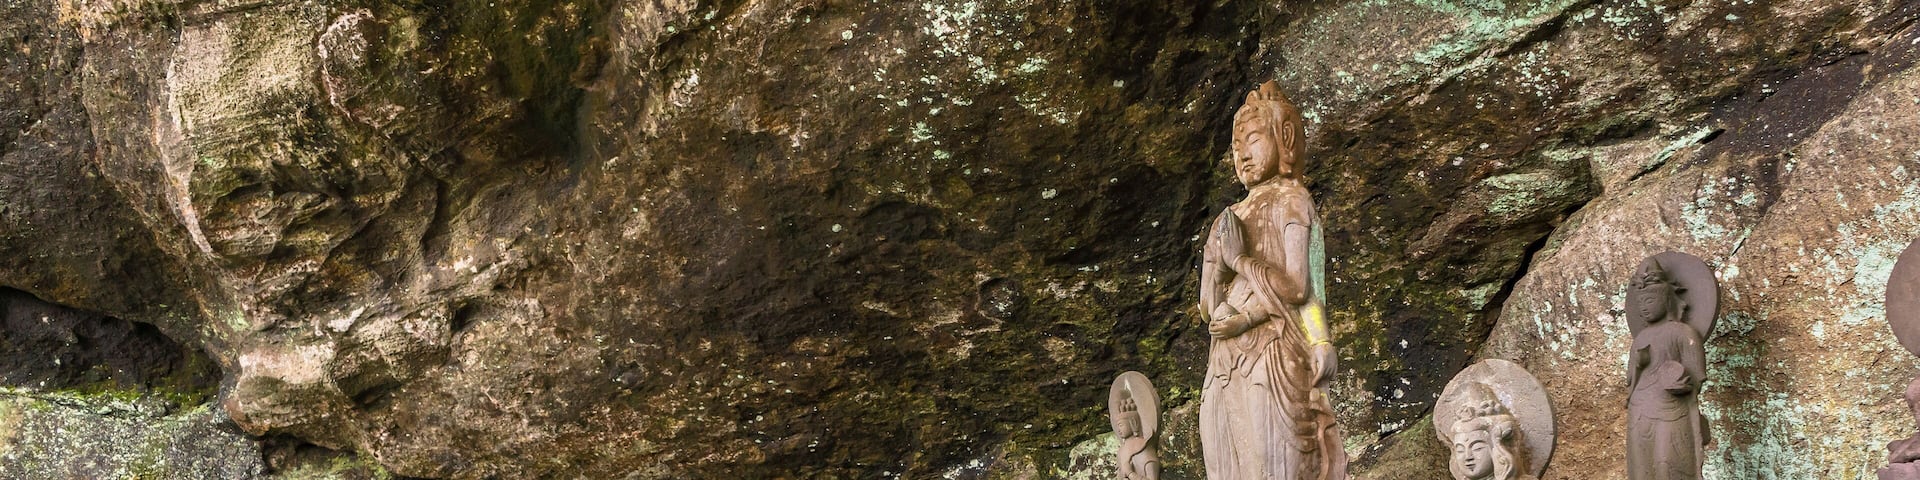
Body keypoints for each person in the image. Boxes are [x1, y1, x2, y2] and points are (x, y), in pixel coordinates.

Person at [1198, 81, 1346, 480]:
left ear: (1283, 139)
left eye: (1252, 139)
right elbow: (1207, 305)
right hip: (1225, 359)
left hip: (1274, 351)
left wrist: (1241, 262)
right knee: (1225, 463)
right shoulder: (1227, 217)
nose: (1242, 154)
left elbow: (1301, 286)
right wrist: (1216, 272)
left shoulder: (1291, 199)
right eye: (1235, 146)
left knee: (1274, 463)